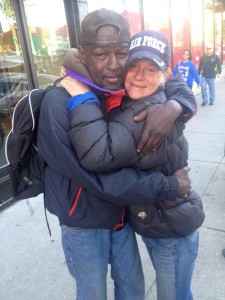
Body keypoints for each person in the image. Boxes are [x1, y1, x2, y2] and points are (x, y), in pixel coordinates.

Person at [37, 9, 196, 299]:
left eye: (122, 54)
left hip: (120, 217)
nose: (113, 66)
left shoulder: (116, 89)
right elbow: (95, 177)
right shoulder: (59, 101)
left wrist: (175, 106)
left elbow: (160, 76)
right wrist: (168, 186)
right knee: (93, 294)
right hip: (83, 221)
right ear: (82, 55)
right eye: (100, 54)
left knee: (133, 290)